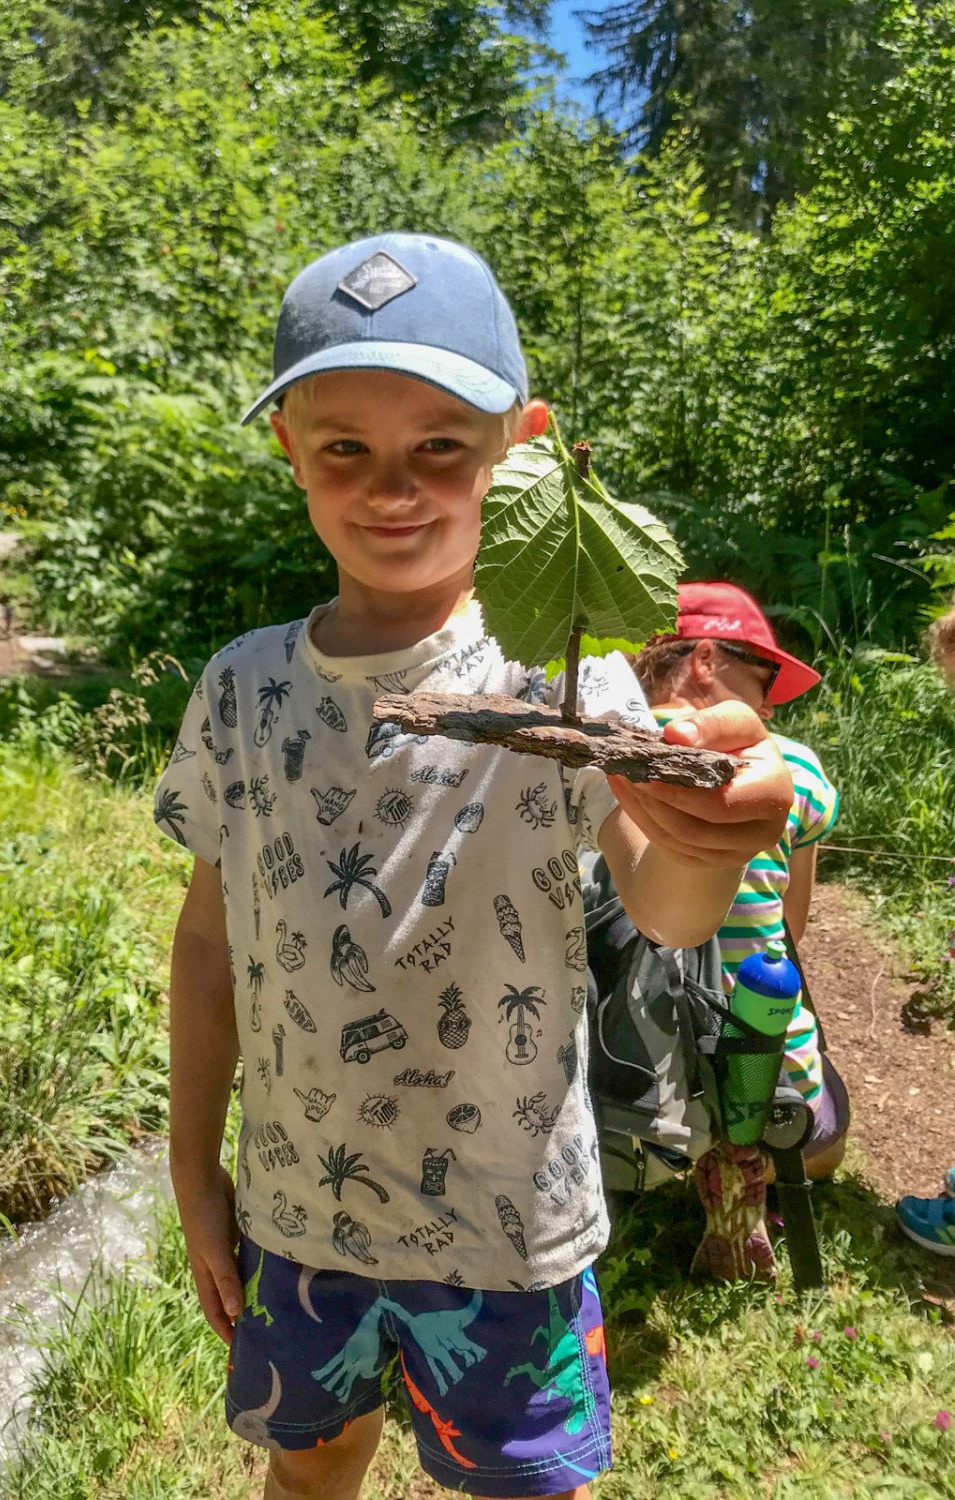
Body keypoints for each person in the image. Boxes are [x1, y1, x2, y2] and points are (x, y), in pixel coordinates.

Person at [153, 233, 792, 1500]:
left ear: (525, 444)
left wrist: (707, 843)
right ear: (288, 444)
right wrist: (192, 1164)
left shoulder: (567, 678)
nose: (394, 484)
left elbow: (662, 908)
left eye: (441, 442)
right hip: (299, 1215)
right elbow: (209, 942)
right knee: (311, 1463)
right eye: (346, 445)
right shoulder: (242, 687)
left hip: (511, 1231)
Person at [632, 582, 849, 1280]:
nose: (767, 707)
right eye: (762, 683)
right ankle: (741, 1185)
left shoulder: (591, 754)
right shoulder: (792, 768)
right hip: (757, 1083)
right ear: (702, 659)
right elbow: (793, 924)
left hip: (620, 1072)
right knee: (828, 1129)